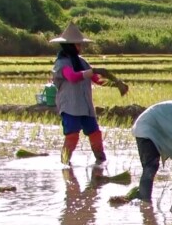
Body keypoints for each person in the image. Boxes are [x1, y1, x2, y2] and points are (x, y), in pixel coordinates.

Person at [50, 22, 129, 164]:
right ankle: (64, 165)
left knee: (95, 134)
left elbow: (97, 80)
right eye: (78, 45)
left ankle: (101, 161)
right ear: (69, 45)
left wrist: (117, 84)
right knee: (72, 136)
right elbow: (72, 77)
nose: (81, 47)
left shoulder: (82, 62)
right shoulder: (61, 64)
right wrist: (94, 71)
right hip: (70, 107)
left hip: (86, 107)